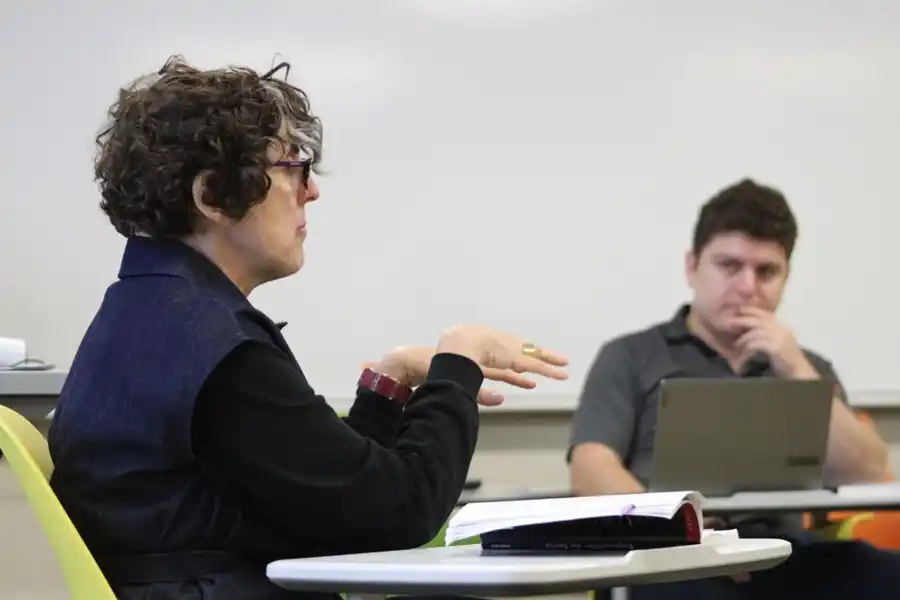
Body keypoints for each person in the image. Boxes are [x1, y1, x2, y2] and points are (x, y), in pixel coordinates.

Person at [47, 56, 569, 600]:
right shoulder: (215, 350)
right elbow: (400, 512)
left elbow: (330, 504)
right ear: (212, 198)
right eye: (293, 167)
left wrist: (386, 387)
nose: (311, 190)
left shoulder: (150, 316)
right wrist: (457, 363)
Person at [567, 178, 900, 600]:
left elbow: (870, 474)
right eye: (729, 266)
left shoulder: (808, 367)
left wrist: (794, 366)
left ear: (786, 278)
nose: (747, 287)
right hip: (671, 555)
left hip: (782, 557)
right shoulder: (631, 356)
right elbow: (591, 466)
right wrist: (674, 530)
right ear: (692, 266)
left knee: (886, 575)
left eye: (766, 272)